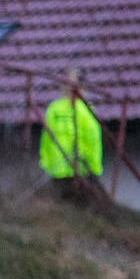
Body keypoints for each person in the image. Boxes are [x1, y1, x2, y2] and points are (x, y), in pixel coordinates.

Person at [41, 68, 105, 204]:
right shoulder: (55, 108)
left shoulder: (85, 109)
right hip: (61, 171)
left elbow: (93, 140)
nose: (65, 86)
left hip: (79, 171)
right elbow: (46, 138)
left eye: (69, 82)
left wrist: (92, 167)